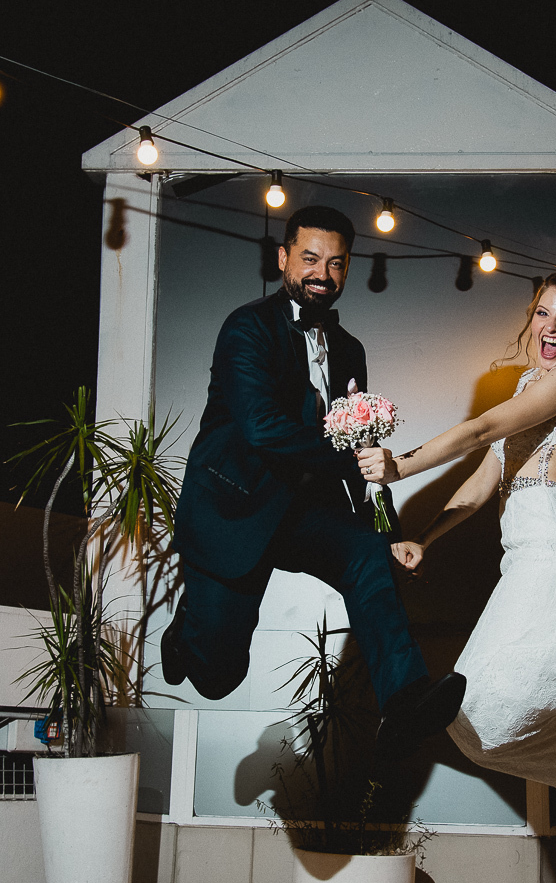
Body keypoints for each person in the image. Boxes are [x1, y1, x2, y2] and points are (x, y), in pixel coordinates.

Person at [358, 270, 556, 802]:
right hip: (523, 545)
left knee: (486, 701)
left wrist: (401, 465)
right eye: (543, 312)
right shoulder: (529, 384)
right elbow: (487, 476)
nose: (551, 327)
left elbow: (482, 429)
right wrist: (429, 536)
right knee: (475, 714)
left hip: (550, 539)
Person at [161, 204, 466, 758]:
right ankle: (188, 633)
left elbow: (362, 446)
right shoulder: (246, 328)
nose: (322, 273)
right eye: (309, 259)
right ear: (283, 259)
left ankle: (405, 699)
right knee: (217, 675)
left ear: (347, 270)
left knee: (368, 557)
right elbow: (262, 429)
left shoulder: (350, 351)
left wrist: (388, 530)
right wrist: (350, 459)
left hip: (306, 514)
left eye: (337, 263)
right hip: (236, 512)